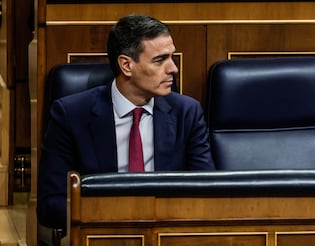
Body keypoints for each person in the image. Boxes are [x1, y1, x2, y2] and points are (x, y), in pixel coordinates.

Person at [37, 14, 215, 229]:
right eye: (160, 60)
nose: (173, 69)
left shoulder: (187, 113)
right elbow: (51, 204)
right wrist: (119, 216)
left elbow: (206, 192)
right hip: (100, 235)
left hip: (169, 234)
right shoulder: (71, 115)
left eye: (172, 57)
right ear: (126, 65)